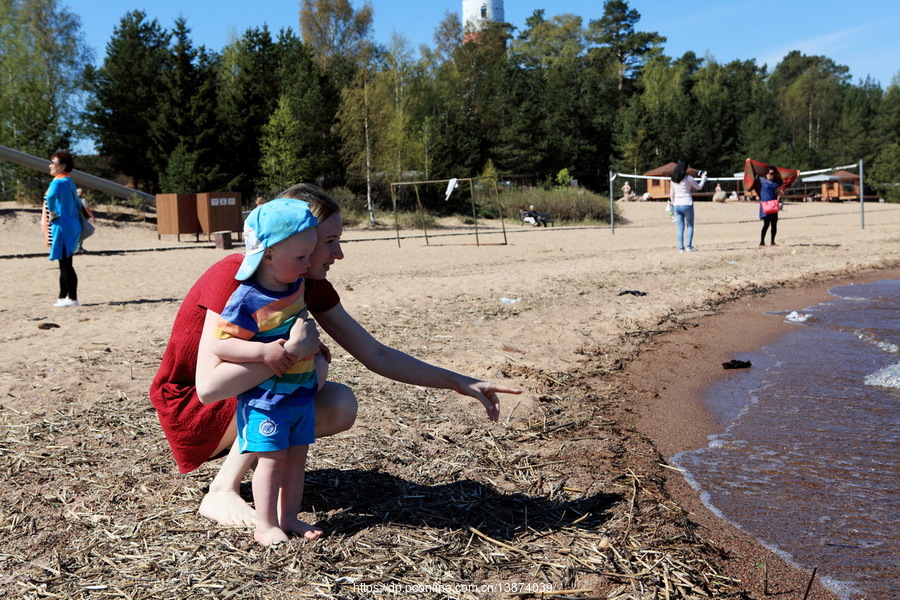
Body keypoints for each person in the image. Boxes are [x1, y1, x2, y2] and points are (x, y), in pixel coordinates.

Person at [150, 183, 521, 530]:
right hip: (192, 411)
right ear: (296, 241)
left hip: (240, 399)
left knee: (340, 401)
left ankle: (255, 468)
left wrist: (460, 382)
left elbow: (374, 352)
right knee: (315, 362)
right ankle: (222, 490)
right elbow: (208, 387)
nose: (337, 253)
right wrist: (291, 353)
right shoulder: (236, 276)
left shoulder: (301, 282)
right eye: (329, 241)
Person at [42, 150, 82, 307]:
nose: (50, 165)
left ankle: (72, 298)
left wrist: (51, 212)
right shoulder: (69, 182)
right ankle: (62, 296)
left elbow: (50, 197)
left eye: (53, 162)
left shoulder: (57, 182)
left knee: (65, 263)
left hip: (62, 225)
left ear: (63, 166)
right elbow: (78, 204)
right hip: (72, 224)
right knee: (65, 261)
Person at [669, 159, 707, 252]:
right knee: (690, 226)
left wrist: (674, 204)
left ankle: (681, 248)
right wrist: (704, 179)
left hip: (677, 204)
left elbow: (671, 194)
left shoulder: (673, 179)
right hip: (687, 203)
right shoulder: (688, 178)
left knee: (680, 228)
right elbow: (699, 187)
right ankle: (689, 246)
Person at [758, 166, 782, 247]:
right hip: (765, 205)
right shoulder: (762, 180)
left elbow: (787, 184)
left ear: (774, 174)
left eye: (771, 173)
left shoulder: (777, 183)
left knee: (774, 224)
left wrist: (796, 174)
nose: (769, 175)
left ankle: (772, 242)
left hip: (773, 205)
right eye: (768, 173)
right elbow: (752, 173)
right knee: (766, 224)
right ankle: (762, 242)